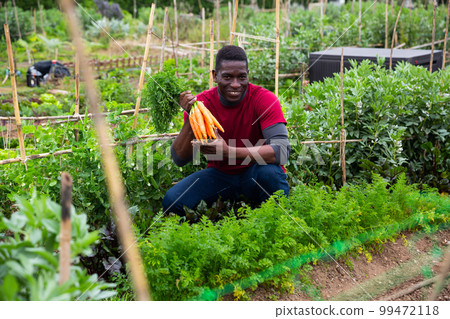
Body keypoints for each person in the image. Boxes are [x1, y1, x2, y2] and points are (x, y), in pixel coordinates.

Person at [162, 45, 290, 216]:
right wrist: (190, 118)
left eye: (241, 77)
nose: (235, 84)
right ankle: (203, 235)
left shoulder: (264, 99)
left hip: (255, 171)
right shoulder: (201, 104)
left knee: (271, 175)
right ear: (215, 76)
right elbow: (179, 158)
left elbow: (282, 151)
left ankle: (274, 223)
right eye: (228, 77)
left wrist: (228, 151)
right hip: (220, 175)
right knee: (172, 202)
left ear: (248, 75)